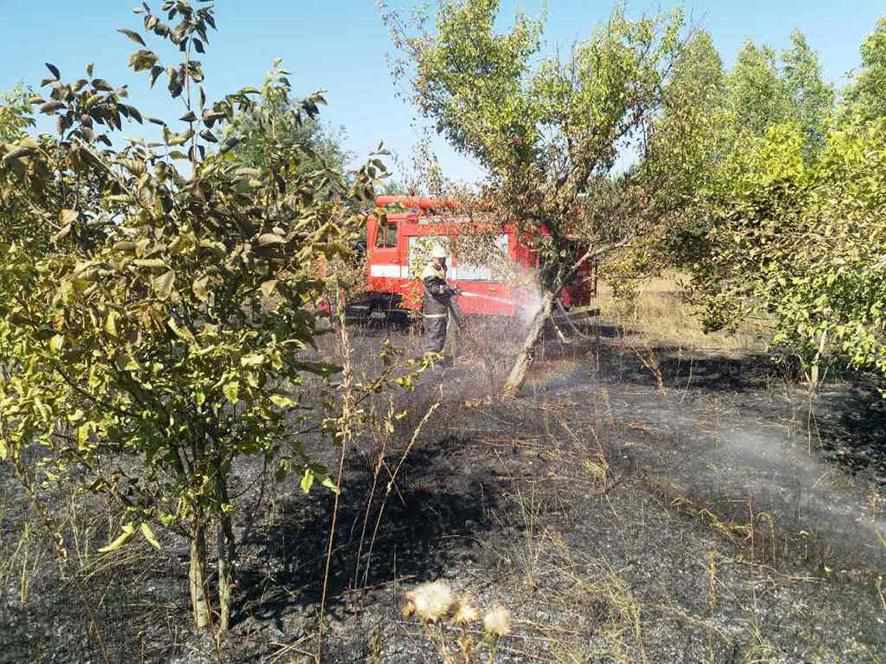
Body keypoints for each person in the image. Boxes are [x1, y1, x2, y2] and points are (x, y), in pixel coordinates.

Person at [421, 244, 461, 362]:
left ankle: (437, 360)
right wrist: (446, 289)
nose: (441, 260)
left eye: (443, 258)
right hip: (434, 310)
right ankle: (431, 363)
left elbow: (442, 286)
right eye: (439, 258)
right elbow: (434, 289)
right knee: (434, 337)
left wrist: (452, 291)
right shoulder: (429, 272)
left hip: (440, 309)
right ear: (433, 258)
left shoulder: (439, 269)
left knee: (440, 336)